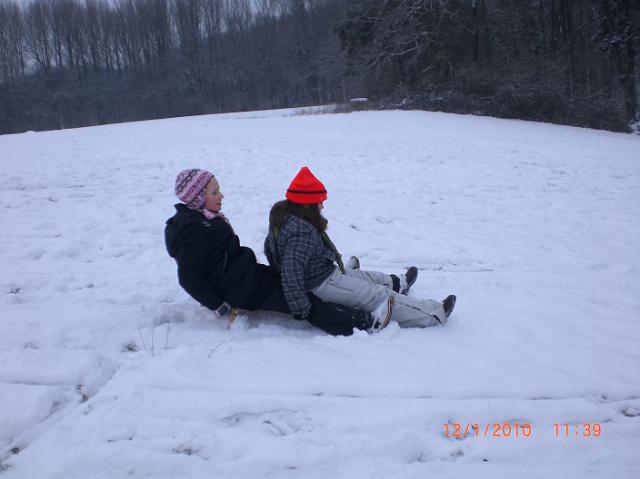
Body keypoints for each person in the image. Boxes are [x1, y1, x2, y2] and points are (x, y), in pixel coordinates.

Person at [164, 168, 375, 335]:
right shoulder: (194, 232)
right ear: (197, 198)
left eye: (218, 189)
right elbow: (189, 278)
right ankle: (363, 322)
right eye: (214, 192)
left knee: (294, 282)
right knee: (304, 301)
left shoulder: (205, 219)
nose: (221, 195)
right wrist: (220, 306)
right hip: (242, 291)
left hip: (246, 276)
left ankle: (341, 281)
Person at [264, 166, 456, 331]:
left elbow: (271, 251)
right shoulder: (301, 232)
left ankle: (398, 283)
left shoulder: (285, 216)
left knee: (368, 277)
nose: (322, 206)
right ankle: (432, 313)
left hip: (321, 272)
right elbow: (291, 271)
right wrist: (300, 307)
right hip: (319, 284)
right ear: (306, 204)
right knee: (376, 296)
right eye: (319, 201)